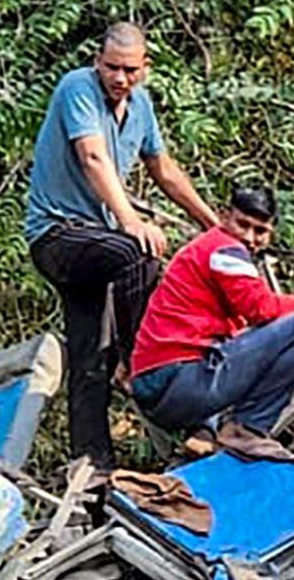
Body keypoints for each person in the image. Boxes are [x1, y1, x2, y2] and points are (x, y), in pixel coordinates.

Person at [24, 24, 219, 472]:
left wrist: (213, 225)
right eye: (112, 67)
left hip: (97, 243)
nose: (119, 78)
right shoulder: (78, 88)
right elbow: (92, 156)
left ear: (145, 69)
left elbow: (163, 170)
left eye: (130, 70)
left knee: (89, 355)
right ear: (98, 61)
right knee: (137, 253)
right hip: (58, 235)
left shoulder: (141, 106)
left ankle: (92, 469)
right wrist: (131, 221)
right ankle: (143, 360)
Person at [128, 184, 294, 461]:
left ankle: (207, 430)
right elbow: (259, 308)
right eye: (242, 224)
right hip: (175, 381)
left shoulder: (204, 248)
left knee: (231, 340)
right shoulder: (225, 250)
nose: (250, 237)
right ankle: (248, 429)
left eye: (260, 231)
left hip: (158, 385)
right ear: (223, 216)